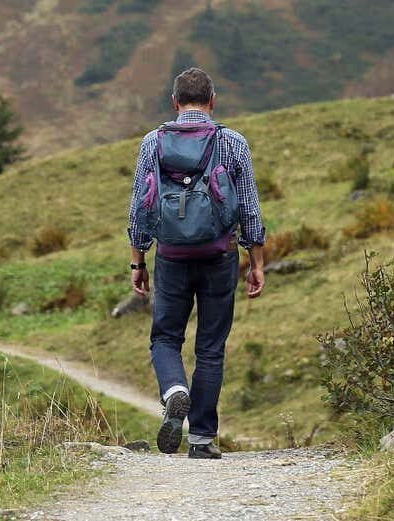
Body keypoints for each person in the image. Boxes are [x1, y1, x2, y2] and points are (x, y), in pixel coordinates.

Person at [127, 67, 266, 459]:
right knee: (211, 347)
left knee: (165, 338)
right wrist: (256, 261)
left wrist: (138, 261)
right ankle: (202, 439)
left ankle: (175, 389)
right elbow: (250, 209)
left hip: (171, 256)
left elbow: (139, 208)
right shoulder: (233, 142)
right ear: (212, 101)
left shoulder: (153, 142)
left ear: (175, 102)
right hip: (219, 255)